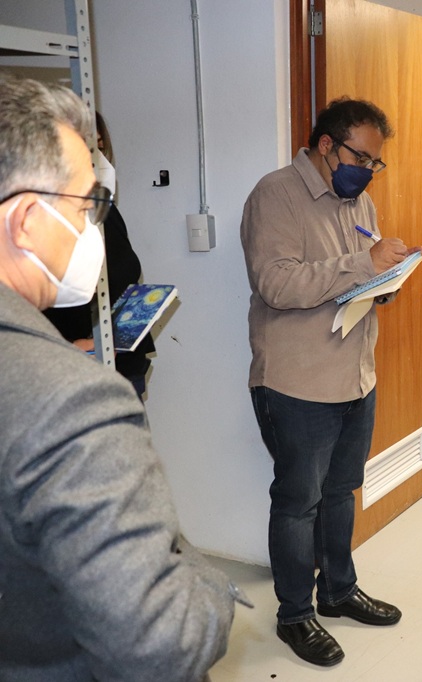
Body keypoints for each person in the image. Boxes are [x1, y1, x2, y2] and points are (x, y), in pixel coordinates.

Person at [0, 74, 238, 681]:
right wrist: (203, 580)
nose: (93, 228)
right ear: (26, 221)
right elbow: (161, 643)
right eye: (87, 207)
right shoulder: (70, 403)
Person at [241, 96, 408, 668]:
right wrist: (365, 265)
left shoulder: (357, 197)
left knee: (339, 493)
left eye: (375, 162)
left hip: (354, 375)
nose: (369, 171)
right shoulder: (276, 194)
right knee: (298, 502)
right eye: (363, 157)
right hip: (298, 382)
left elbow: (357, 276)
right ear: (326, 146)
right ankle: (295, 616)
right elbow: (277, 285)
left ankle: (337, 591)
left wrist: (385, 278)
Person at [43, 112, 155, 398]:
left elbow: (120, 275)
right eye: (86, 146)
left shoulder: (106, 211)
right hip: (73, 372)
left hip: (123, 368)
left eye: (100, 146)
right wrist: (65, 346)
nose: (97, 156)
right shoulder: (42, 215)